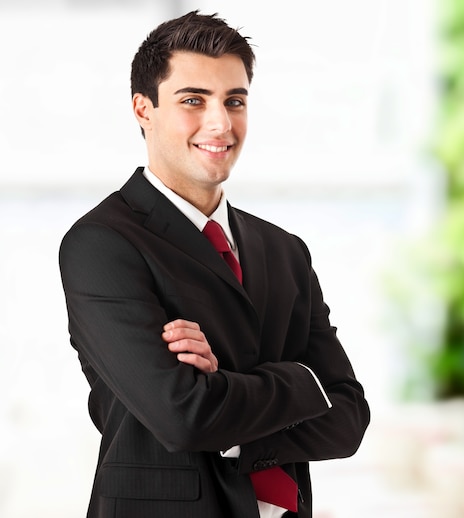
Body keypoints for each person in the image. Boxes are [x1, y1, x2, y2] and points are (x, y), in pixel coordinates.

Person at [58, 10, 370, 518]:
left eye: (235, 101)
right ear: (144, 109)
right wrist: (300, 382)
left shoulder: (284, 250)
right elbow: (184, 416)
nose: (220, 123)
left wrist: (221, 380)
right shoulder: (102, 244)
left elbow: (349, 420)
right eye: (193, 101)